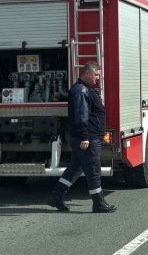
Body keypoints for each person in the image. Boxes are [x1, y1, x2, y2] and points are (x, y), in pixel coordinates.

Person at [47, 62, 116, 213]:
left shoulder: (87, 89)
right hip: (87, 138)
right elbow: (81, 116)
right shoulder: (82, 91)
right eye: (96, 75)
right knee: (93, 169)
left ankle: (56, 196)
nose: (98, 78)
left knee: (75, 168)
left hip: (86, 136)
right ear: (87, 74)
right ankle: (98, 202)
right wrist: (85, 137)